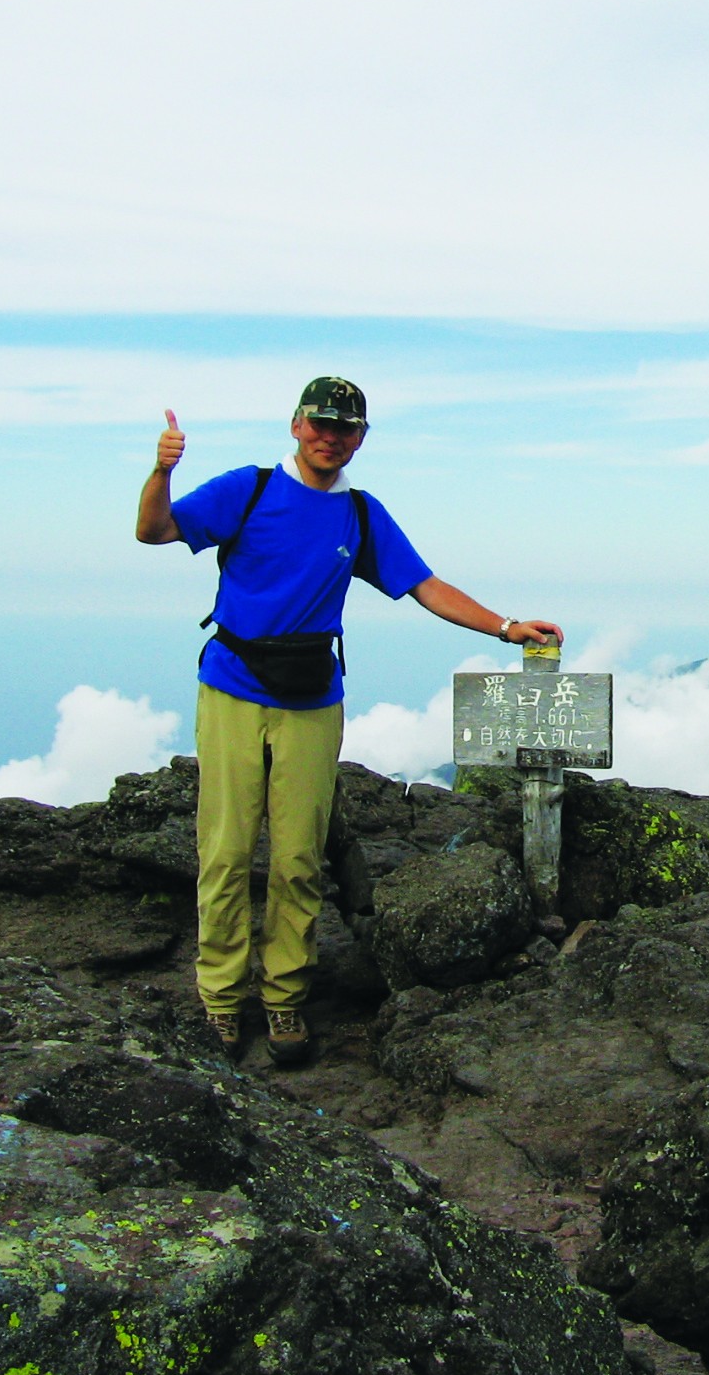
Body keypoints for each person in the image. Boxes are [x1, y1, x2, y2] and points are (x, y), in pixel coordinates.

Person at [135, 375, 562, 1067]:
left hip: (312, 698)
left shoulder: (360, 514)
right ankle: (221, 999)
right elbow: (154, 530)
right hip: (233, 689)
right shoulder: (248, 489)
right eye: (321, 423)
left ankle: (284, 997)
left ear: (361, 439)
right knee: (227, 851)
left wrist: (506, 626)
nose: (331, 437)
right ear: (296, 425)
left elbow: (425, 585)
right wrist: (162, 472)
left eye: (347, 428)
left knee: (299, 857)